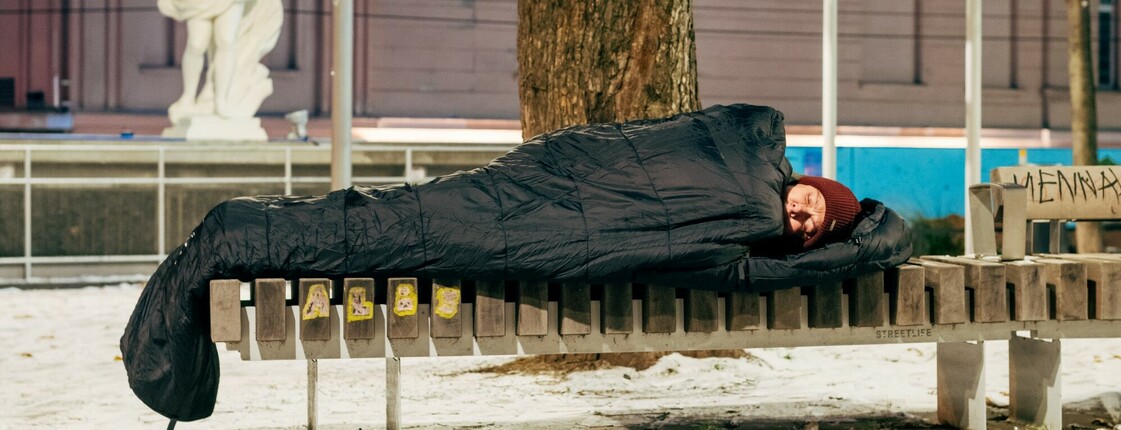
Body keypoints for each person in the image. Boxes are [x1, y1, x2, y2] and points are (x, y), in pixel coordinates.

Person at [121, 103, 912, 421]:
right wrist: (858, 223)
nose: (804, 220)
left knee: (387, 228)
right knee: (385, 221)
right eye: (813, 203)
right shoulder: (746, 165)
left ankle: (229, 243)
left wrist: (859, 235)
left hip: (535, 225)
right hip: (539, 187)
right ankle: (230, 240)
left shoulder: (742, 248)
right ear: (805, 181)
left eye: (813, 231)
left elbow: (831, 258)